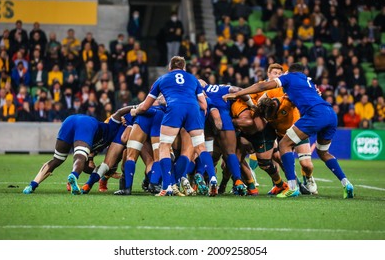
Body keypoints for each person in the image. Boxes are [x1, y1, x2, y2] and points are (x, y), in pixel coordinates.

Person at [223, 63, 354, 199]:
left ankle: (292, 187)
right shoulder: (307, 80)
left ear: (288, 72)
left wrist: (238, 93)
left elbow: (261, 87)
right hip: (330, 113)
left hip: (314, 115)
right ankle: (347, 184)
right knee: (323, 152)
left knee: (284, 145)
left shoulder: (289, 79)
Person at [131, 56, 218, 196]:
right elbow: (204, 105)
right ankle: (213, 178)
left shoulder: (162, 79)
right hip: (193, 109)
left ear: (169, 68)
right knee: (200, 147)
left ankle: (167, 187)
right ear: (184, 68)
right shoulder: (193, 79)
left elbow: (146, 106)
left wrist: (135, 110)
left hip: (174, 109)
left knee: (164, 146)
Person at [22, 105, 135, 195]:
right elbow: (120, 111)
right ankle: (74, 175)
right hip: (87, 124)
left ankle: (32, 185)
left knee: (57, 159)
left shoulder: (95, 148)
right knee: (80, 156)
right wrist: (137, 106)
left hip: (69, 121)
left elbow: (88, 166)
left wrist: (107, 173)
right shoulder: (114, 127)